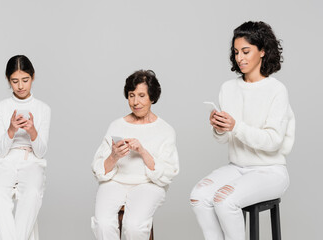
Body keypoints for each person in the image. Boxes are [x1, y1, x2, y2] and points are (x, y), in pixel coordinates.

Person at [190, 21, 295, 240]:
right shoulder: (228, 88)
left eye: (246, 51)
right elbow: (224, 139)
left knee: (224, 200)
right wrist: (219, 127)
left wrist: (236, 126)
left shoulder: (276, 90)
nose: (240, 58)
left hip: (270, 171)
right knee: (198, 197)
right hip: (237, 166)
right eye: (236, 52)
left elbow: (273, 140)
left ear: (263, 51)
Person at [91, 70, 179, 240]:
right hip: (115, 182)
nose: (135, 102)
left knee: (134, 227)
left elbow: (167, 174)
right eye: (131, 95)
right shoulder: (116, 126)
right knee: (102, 223)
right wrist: (114, 156)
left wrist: (142, 151)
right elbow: (98, 169)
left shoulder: (165, 130)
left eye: (141, 96)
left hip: (147, 185)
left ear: (152, 97)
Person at [0, 55, 51, 240]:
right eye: (15, 81)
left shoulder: (43, 109)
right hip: (5, 160)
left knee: (31, 195)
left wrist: (32, 131)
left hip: (31, 159)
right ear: (8, 80)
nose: (21, 86)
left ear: (33, 77)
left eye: (25, 80)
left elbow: (41, 151)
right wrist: (11, 130)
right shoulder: (0, 108)